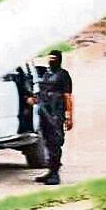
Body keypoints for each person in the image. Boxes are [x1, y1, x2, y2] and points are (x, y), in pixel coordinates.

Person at [29, 49, 73, 185]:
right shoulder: (46, 74)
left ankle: (55, 174)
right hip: (44, 112)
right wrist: (34, 99)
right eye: (50, 58)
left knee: (55, 143)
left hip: (56, 114)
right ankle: (50, 171)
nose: (51, 60)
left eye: (54, 58)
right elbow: (42, 92)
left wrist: (69, 116)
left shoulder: (63, 75)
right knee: (47, 142)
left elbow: (68, 97)